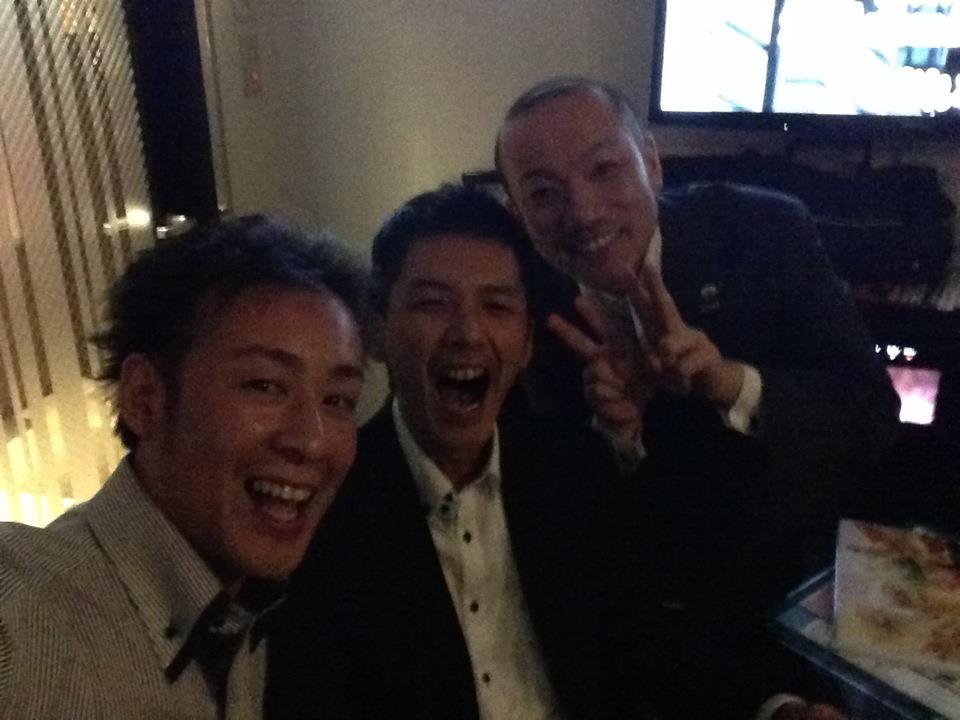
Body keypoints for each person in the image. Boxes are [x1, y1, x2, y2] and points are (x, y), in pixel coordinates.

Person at [495, 77, 899, 718]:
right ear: (518, 215)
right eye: (544, 194)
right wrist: (620, 436)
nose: (584, 212)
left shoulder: (765, 232)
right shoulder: (520, 306)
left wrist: (729, 382)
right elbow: (564, 530)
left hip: (797, 603)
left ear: (651, 163)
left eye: (604, 169)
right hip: (644, 635)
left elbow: (871, 415)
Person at [267, 184, 656, 720]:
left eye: (496, 306)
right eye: (433, 303)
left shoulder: (577, 472)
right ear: (375, 332)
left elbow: (638, 662)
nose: (468, 332)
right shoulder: (326, 504)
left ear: (526, 342)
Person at [0, 216, 366, 719]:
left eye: (339, 400)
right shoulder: (22, 620)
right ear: (145, 398)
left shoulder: (244, 620)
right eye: (264, 385)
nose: (312, 440)